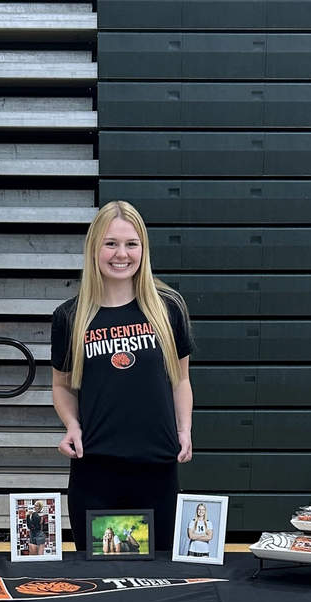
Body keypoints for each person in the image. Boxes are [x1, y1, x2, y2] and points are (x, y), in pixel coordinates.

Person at [50, 201, 194, 552]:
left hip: (157, 468)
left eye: (131, 244)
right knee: (100, 572)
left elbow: (181, 380)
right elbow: (61, 385)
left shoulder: (168, 308)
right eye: (111, 243)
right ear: (94, 248)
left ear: (143, 249)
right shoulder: (70, 317)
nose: (122, 254)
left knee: (160, 576)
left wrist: (185, 429)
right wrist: (72, 424)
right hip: (96, 471)